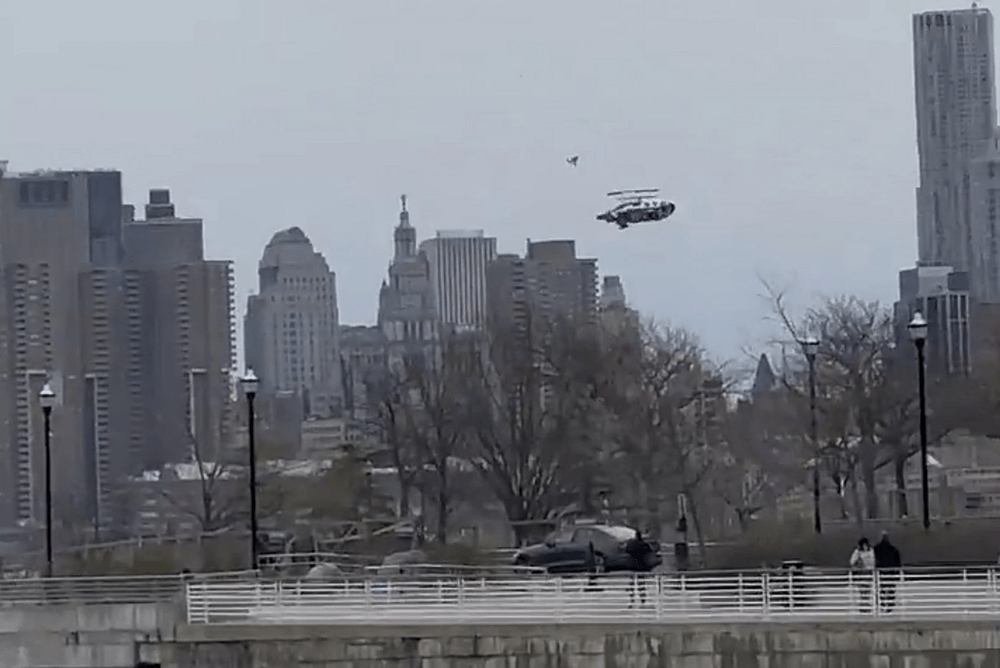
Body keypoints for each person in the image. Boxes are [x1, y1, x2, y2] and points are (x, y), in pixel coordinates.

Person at [624, 530, 655, 608]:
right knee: (641, 584)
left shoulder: (631, 544)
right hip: (641, 566)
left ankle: (631, 600)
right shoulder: (644, 544)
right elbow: (650, 551)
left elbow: (626, 550)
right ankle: (643, 600)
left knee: (632, 584)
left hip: (632, 565)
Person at [873, 531, 902, 613]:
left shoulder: (877, 549)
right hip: (891, 572)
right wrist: (897, 573)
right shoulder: (894, 550)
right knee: (891, 589)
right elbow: (897, 562)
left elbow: (874, 560)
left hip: (881, 572)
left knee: (881, 589)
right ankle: (889, 605)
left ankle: (882, 604)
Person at [849, 537, 875, 613]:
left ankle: (866, 605)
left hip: (869, 572)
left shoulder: (871, 551)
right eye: (863, 545)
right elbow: (852, 562)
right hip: (861, 573)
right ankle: (863, 605)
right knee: (862, 591)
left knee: (868, 590)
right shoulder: (857, 552)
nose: (865, 546)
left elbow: (873, 561)